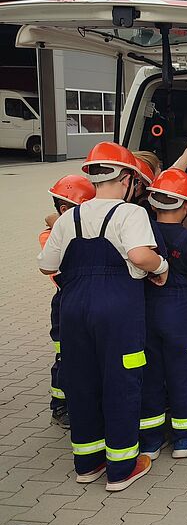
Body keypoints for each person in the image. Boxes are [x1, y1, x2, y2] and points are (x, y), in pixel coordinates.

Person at [38, 142, 167, 492]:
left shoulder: (70, 217)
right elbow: (141, 256)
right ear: (126, 178)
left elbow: (46, 264)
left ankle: (87, 463)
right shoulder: (131, 214)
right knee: (120, 382)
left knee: (81, 382)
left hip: (74, 308)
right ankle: (122, 466)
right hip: (118, 310)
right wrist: (161, 266)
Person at [139, 169, 187, 461]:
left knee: (150, 375)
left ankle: (151, 442)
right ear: (186, 206)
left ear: (154, 205)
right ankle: (183, 439)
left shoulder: (142, 235)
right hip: (179, 315)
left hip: (146, 312)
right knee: (182, 374)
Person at [39, 175, 96, 428]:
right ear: (65, 210)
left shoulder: (62, 227)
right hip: (64, 304)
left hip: (75, 301)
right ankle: (60, 405)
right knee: (64, 358)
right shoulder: (51, 237)